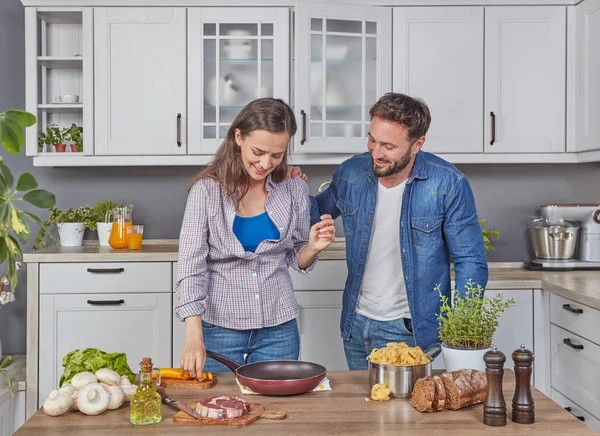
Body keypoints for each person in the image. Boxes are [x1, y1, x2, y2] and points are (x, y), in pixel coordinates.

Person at [306, 92, 488, 370]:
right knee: (365, 410)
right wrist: (287, 183)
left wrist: (460, 331)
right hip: (356, 324)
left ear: (417, 144)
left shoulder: (448, 184)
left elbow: (470, 261)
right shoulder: (350, 173)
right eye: (372, 140)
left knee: (405, 412)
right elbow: (311, 214)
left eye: (388, 146)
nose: (376, 153)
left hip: (409, 328)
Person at [176, 98, 335, 377]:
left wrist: (312, 247)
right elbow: (191, 267)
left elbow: (295, 256)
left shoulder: (293, 187)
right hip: (220, 327)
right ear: (238, 136)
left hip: (279, 326)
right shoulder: (206, 192)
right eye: (258, 152)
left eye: (277, 155)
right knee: (217, 410)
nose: (265, 164)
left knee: (276, 413)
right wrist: (193, 336)